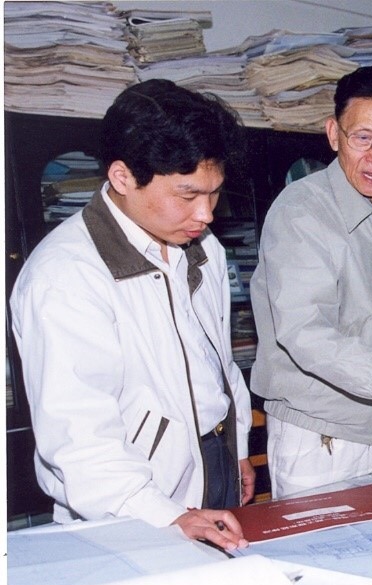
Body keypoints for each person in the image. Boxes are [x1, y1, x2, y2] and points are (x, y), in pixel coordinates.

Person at [10, 79, 253, 550]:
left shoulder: (204, 248)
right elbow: (80, 440)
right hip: (126, 504)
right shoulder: (66, 276)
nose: (206, 214)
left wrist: (236, 446)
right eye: (187, 195)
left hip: (213, 464)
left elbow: (218, 365)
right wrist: (163, 515)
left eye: (214, 193)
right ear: (122, 178)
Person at [250, 65, 372, 498]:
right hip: (324, 440)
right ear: (333, 134)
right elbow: (304, 330)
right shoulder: (301, 211)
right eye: (362, 138)